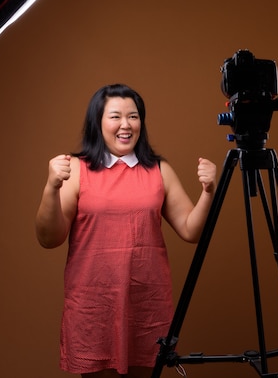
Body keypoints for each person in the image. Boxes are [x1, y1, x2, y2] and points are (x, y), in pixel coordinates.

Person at [35, 83, 217, 378]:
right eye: (115, 116)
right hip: (94, 306)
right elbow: (48, 238)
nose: (125, 125)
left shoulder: (159, 170)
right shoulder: (77, 169)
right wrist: (51, 187)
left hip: (145, 306)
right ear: (98, 123)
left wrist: (209, 191)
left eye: (133, 116)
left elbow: (190, 230)